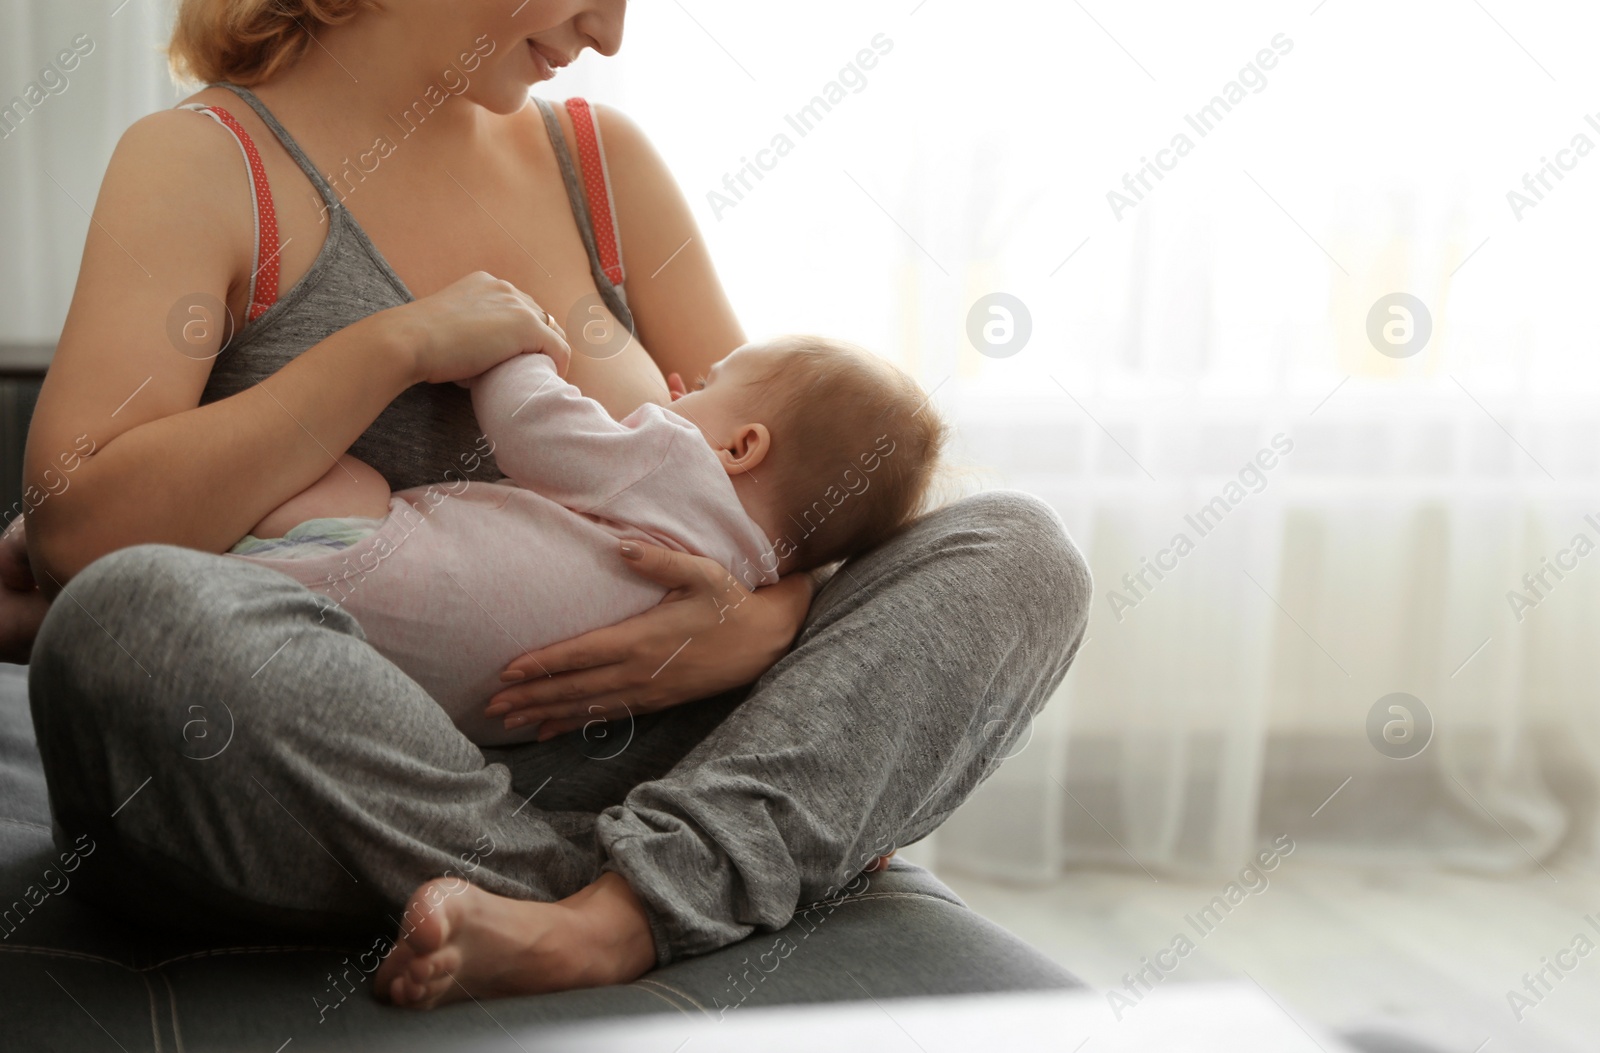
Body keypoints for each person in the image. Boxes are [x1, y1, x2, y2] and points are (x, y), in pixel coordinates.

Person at [13, 0, 1092, 1010]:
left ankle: (614, 914)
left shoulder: (602, 166)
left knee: (1019, 549)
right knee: (128, 621)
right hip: (311, 778)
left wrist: (758, 623)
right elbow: (77, 529)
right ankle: (662, 881)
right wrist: (396, 348)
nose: (612, 33)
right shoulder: (204, 163)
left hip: (621, 761)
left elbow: (788, 493)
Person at [226, 337, 946, 746]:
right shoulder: (749, 579)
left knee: (347, 478)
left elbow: (531, 423)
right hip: (453, 715)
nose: (674, 390)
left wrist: (514, 346)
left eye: (701, 383)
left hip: (350, 565)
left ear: (741, 447)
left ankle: (234, 570)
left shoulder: (670, 457)